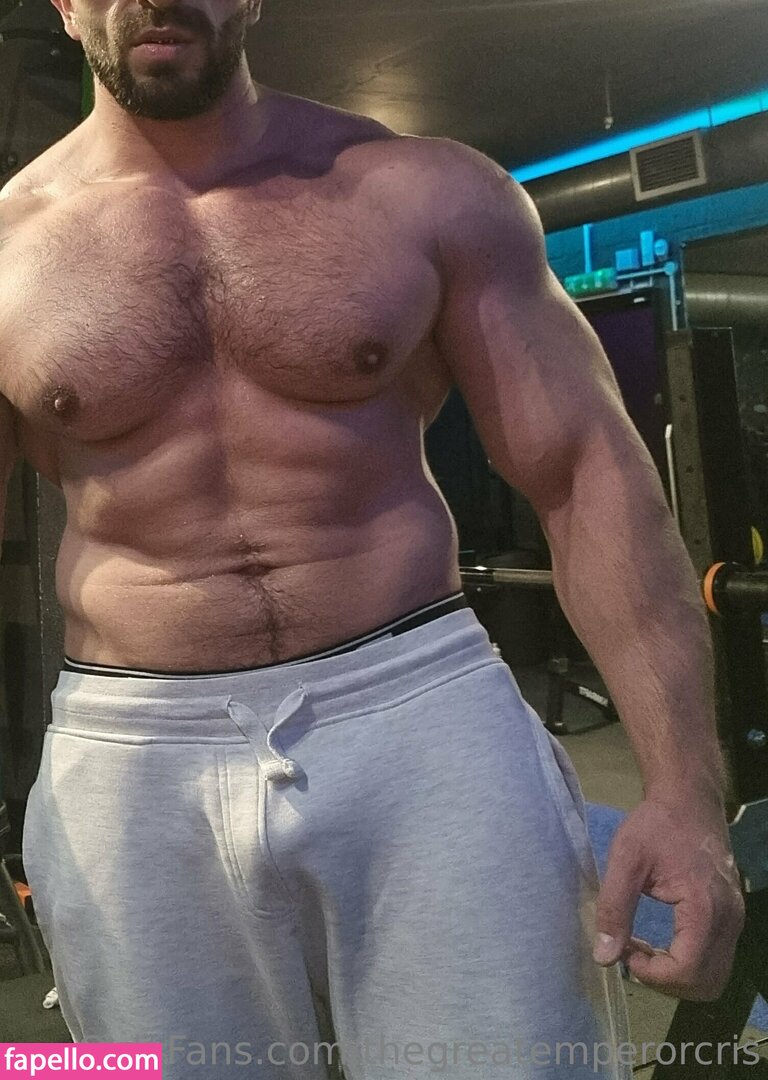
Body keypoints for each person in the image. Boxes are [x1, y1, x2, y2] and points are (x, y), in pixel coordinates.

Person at [0, 0, 745, 1076]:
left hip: (418, 716)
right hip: (133, 756)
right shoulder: (11, 247)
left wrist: (684, 794)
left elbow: (589, 476)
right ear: (64, 6)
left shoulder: (426, 192)